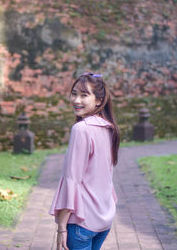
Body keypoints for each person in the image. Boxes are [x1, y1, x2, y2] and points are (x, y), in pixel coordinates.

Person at [49, 72, 120, 250]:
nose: (76, 100)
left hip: (82, 222)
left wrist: (62, 229)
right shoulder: (108, 127)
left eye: (84, 95)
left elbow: (72, 179)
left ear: (98, 100)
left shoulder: (81, 129)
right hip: (104, 218)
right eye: (74, 94)